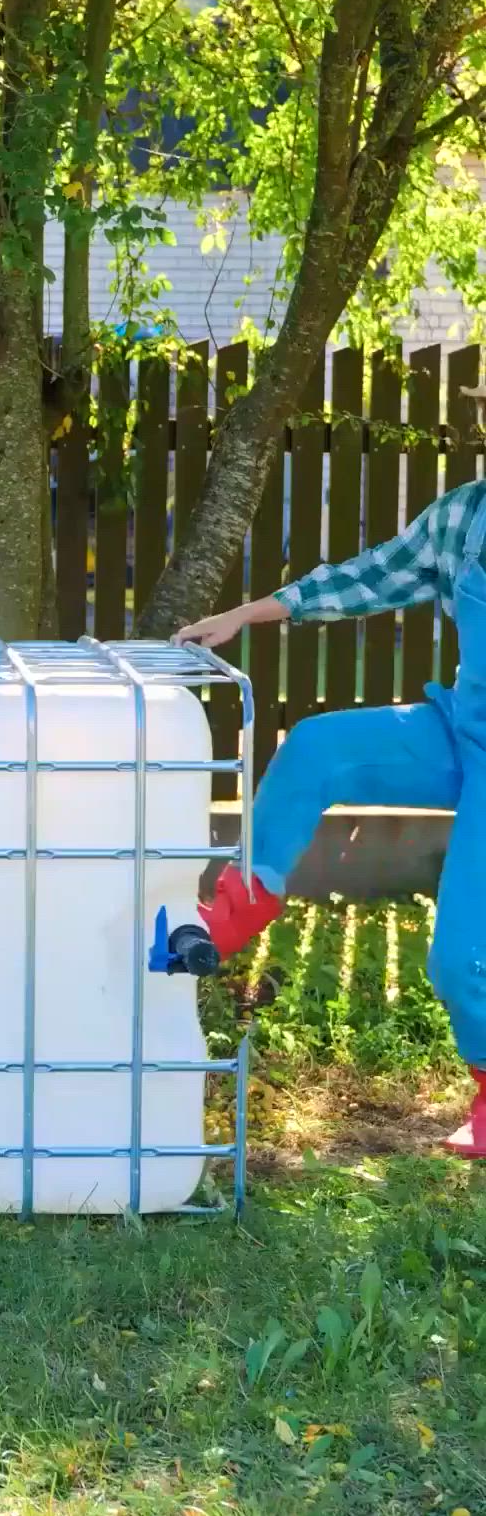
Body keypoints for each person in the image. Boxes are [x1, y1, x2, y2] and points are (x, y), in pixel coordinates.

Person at [175, 480, 486, 1159]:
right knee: (317, 748)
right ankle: (239, 904)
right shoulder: (467, 515)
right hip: (463, 731)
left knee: (463, 960)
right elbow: (373, 575)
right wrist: (250, 613)